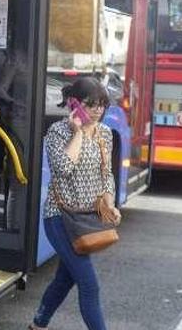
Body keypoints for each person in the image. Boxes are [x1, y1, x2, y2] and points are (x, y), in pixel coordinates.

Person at [29, 76, 121, 330]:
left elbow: (107, 175)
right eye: (91, 105)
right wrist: (78, 132)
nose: (98, 110)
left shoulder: (104, 133)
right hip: (60, 217)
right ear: (75, 105)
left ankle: (38, 324)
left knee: (65, 278)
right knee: (89, 284)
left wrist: (110, 204)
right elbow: (64, 169)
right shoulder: (57, 132)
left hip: (87, 219)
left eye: (102, 105)